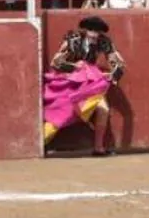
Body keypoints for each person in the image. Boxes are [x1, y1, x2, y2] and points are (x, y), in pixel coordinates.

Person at [43, 16, 125, 156]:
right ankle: (40, 143)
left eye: (97, 31)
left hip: (90, 82)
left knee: (103, 109)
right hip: (70, 82)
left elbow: (116, 62)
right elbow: (55, 63)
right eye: (91, 30)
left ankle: (98, 148)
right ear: (85, 30)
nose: (94, 33)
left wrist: (113, 74)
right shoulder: (73, 40)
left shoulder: (104, 42)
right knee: (63, 113)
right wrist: (74, 67)